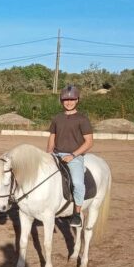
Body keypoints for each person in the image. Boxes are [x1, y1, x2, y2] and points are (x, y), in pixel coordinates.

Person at [47, 85, 94, 227]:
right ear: (61, 101)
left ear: (77, 100)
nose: (69, 102)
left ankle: (77, 214)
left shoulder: (82, 119)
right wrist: (48, 154)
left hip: (74, 156)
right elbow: (52, 138)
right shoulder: (56, 118)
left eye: (72, 99)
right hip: (56, 154)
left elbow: (89, 142)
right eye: (66, 99)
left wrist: (73, 155)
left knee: (78, 184)